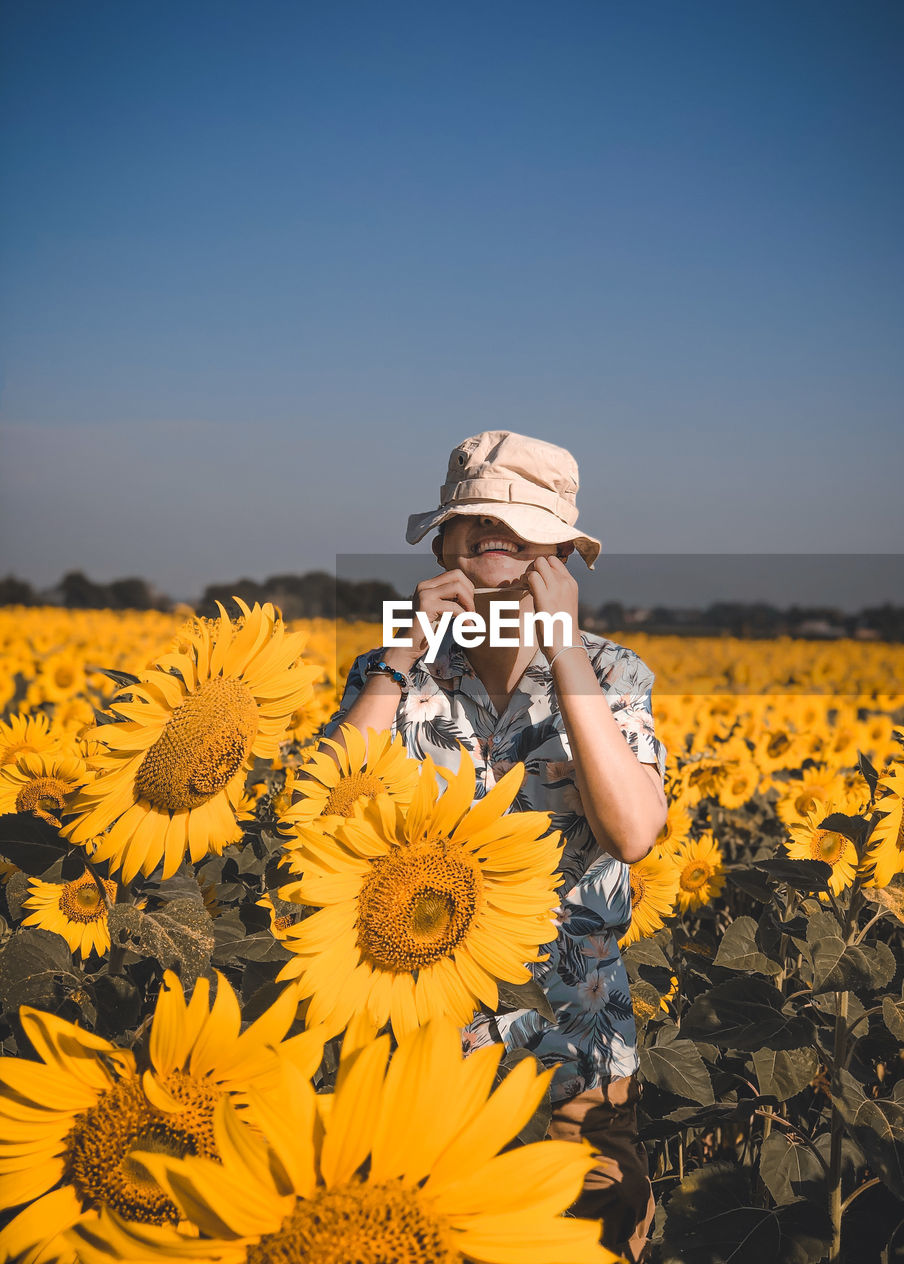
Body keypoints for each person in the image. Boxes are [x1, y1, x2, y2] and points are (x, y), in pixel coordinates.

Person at [318, 429, 666, 1262]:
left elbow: (631, 831)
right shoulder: (392, 671)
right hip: (413, 1057)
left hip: (572, 1062)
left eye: (519, 530)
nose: (495, 542)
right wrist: (401, 653)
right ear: (443, 546)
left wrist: (565, 651)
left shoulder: (614, 674)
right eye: (476, 525)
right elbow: (322, 818)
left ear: (561, 559)